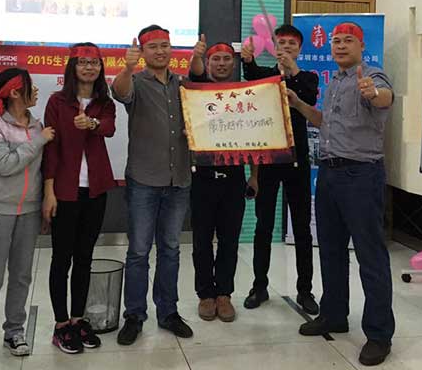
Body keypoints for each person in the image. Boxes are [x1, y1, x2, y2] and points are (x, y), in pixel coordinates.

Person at [297, 21, 395, 367]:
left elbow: (384, 96)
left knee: (370, 256)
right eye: (336, 41)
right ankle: (334, 314)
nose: (339, 45)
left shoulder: (372, 76)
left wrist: (373, 93)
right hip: (329, 174)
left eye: (347, 40)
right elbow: (325, 122)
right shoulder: (335, 82)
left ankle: (379, 334)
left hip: (361, 175)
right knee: (331, 250)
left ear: (361, 45)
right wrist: (298, 104)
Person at [111, 25, 193, 345]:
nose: (160, 51)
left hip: (179, 179)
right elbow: (119, 92)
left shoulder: (183, 85)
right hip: (144, 180)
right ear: (143, 52)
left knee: (171, 249)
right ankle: (134, 315)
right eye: (153, 46)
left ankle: (168, 312)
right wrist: (127, 67)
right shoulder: (136, 82)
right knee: (139, 251)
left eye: (165, 45)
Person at [0, 68, 55, 367]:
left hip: (29, 211)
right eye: (31, 87)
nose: (37, 91)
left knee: (21, 275)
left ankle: (15, 331)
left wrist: (43, 202)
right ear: (16, 92)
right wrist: (38, 141)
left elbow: (41, 169)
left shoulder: (37, 125)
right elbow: (5, 166)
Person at [42, 43, 118, 354]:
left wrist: (93, 123)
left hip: (95, 189)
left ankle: (78, 319)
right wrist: (48, 191)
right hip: (64, 190)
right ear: (72, 68)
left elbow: (109, 128)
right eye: (83, 63)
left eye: (94, 63)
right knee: (62, 258)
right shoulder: (57, 102)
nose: (89, 68)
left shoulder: (104, 102)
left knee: (85, 256)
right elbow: (51, 148)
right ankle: (61, 325)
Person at [241, 24, 320, 315]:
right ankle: (259, 286)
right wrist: (248, 59)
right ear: (274, 47)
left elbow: (309, 98)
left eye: (291, 44)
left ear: (299, 49)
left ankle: (305, 290)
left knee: (301, 228)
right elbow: (250, 73)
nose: (286, 47)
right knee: (263, 226)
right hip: (268, 161)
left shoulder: (308, 77)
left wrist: (293, 71)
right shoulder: (265, 75)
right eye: (281, 43)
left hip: (297, 162)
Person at [188, 37, 247, 322]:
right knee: (201, 240)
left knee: (229, 240)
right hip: (202, 177)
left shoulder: (243, 94)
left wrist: (255, 176)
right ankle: (205, 295)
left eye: (226, 59)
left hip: (234, 176)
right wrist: (196, 56)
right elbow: (196, 73)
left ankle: (224, 294)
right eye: (215, 59)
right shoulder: (198, 89)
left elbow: (254, 139)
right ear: (208, 63)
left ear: (233, 64)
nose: (221, 64)